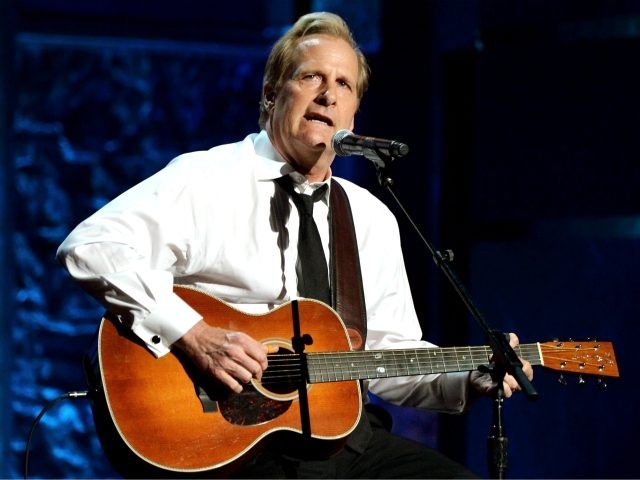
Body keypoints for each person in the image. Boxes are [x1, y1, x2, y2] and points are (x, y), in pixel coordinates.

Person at [57, 11, 533, 479]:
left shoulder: (370, 216)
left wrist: (467, 378)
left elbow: (388, 356)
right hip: (233, 443)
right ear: (270, 94)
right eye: (312, 77)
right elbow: (91, 247)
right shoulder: (208, 179)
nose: (328, 94)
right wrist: (194, 335)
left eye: (344, 85)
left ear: (353, 114)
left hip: (344, 443)